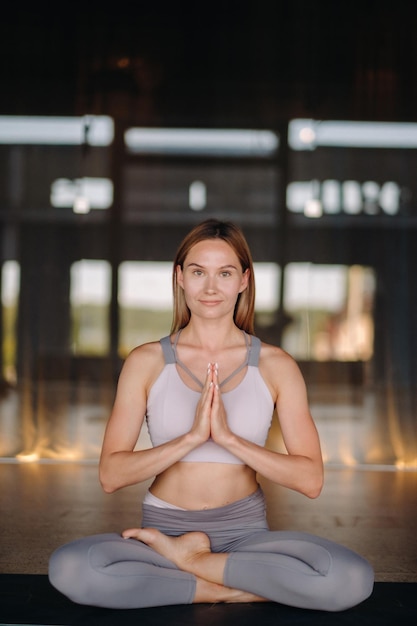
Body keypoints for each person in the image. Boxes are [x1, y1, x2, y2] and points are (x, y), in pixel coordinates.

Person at [49, 219, 374, 611]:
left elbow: (311, 480)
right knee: (70, 568)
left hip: (246, 536)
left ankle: (193, 565)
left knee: (352, 578)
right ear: (180, 277)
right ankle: (222, 585)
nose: (210, 287)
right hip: (163, 534)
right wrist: (189, 437)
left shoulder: (275, 365)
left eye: (225, 273)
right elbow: (110, 475)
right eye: (198, 271)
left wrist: (228, 438)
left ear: (243, 281)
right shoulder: (146, 362)